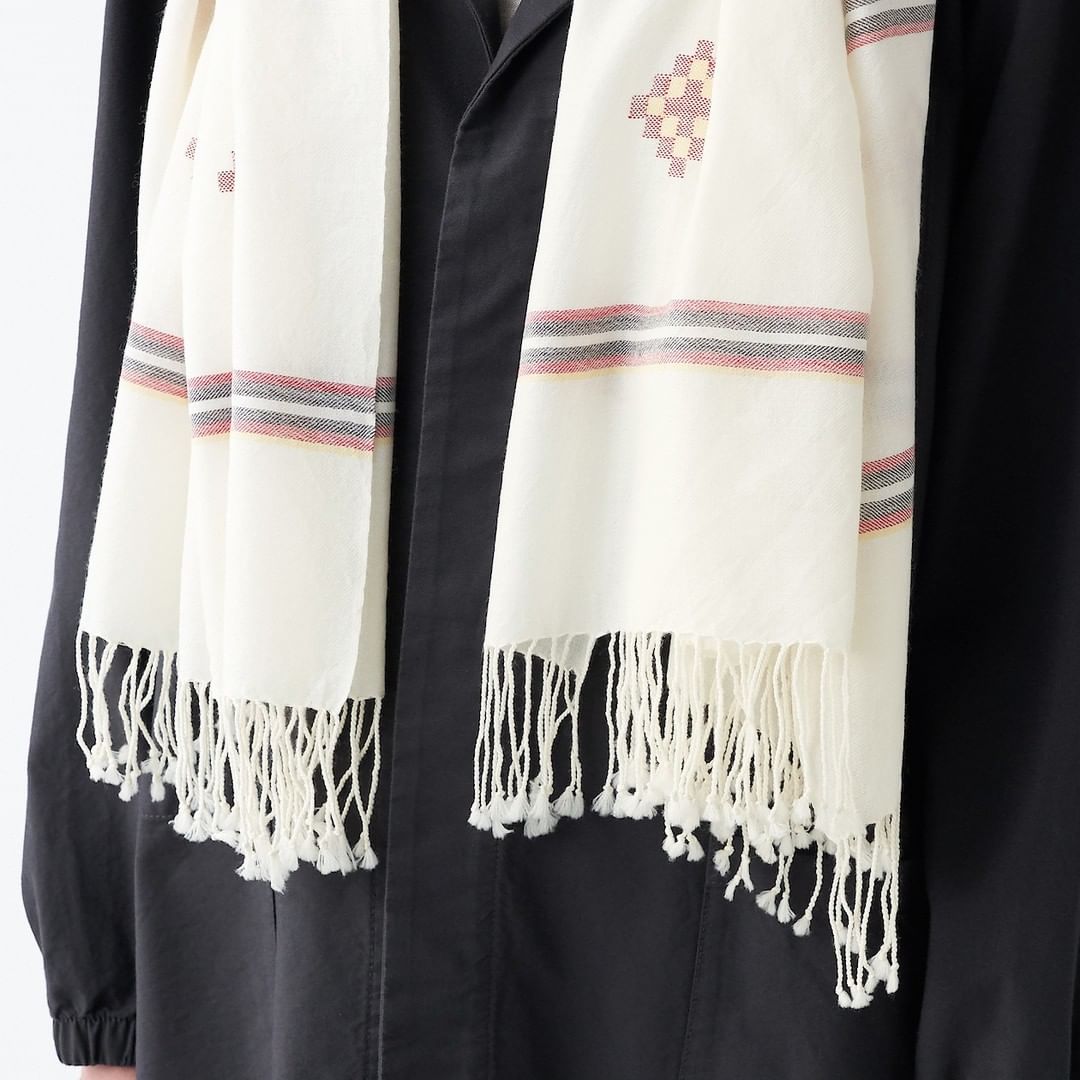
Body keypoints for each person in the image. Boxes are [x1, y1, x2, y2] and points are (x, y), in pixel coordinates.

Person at [24, 1, 1080, 1077]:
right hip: (271, 943)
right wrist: (108, 987)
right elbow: (129, 356)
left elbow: (1029, 548)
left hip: (739, 969)